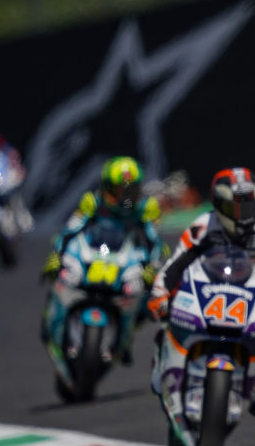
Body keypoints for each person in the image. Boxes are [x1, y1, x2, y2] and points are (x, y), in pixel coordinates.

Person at [147, 167, 255, 416]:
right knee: (166, 312)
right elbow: (176, 265)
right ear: (219, 205)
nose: (243, 215)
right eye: (235, 208)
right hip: (206, 285)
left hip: (250, 288)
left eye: (248, 206)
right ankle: (166, 363)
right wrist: (160, 291)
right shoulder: (203, 225)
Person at [42, 155, 166, 363]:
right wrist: (56, 254)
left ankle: (126, 337)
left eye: (131, 191)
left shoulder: (147, 207)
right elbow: (70, 231)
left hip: (128, 255)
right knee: (63, 279)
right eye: (120, 191)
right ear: (107, 187)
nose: (125, 198)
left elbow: (154, 241)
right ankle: (53, 323)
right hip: (94, 251)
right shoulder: (92, 202)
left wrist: (153, 266)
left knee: (150, 297)